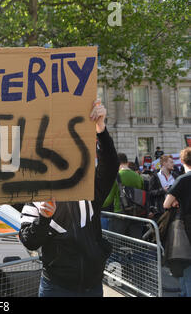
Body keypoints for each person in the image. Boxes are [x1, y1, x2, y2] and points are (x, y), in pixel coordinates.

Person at [19, 99, 119, 297]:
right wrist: (44, 218)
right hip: (56, 287)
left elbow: (110, 165)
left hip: (92, 285)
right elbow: (29, 241)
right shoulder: (36, 194)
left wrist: (101, 128)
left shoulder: (90, 188)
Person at [164, 147, 191, 297]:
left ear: (182, 161)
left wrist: (175, 201)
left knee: (187, 267)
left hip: (186, 227)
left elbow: (166, 204)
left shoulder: (182, 179)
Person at [102, 153, 145, 239]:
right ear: (127, 162)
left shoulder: (116, 176)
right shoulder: (138, 177)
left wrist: (95, 204)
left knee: (115, 244)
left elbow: (108, 200)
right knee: (136, 245)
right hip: (136, 214)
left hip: (120, 214)